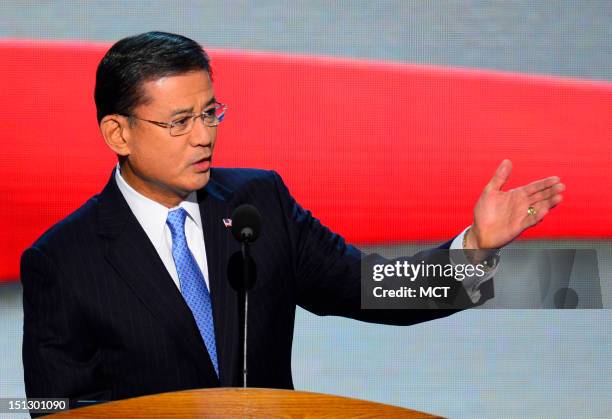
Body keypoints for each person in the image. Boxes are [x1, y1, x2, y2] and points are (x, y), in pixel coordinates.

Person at [20, 31, 564, 409]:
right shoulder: (62, 260)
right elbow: (53, 405)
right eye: (180, 121)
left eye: (211, 113)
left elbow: (367, 288)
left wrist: (475, 250)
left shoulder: (259, 202)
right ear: (118, 133)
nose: (205, 135)